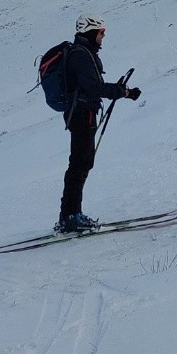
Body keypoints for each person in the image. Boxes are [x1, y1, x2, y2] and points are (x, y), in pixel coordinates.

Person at [56, 14, 140, 233]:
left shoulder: (81, 53)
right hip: (83, 115)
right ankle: (71, 217)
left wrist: (123, 92)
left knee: (81, 163)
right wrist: (123, 92)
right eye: (101, 32)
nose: (104, 36)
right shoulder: (81, 56)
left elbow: (91, 86)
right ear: (91, 31)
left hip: (82, 113)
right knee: (80, 164)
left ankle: (70, 215)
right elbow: (94, 88)